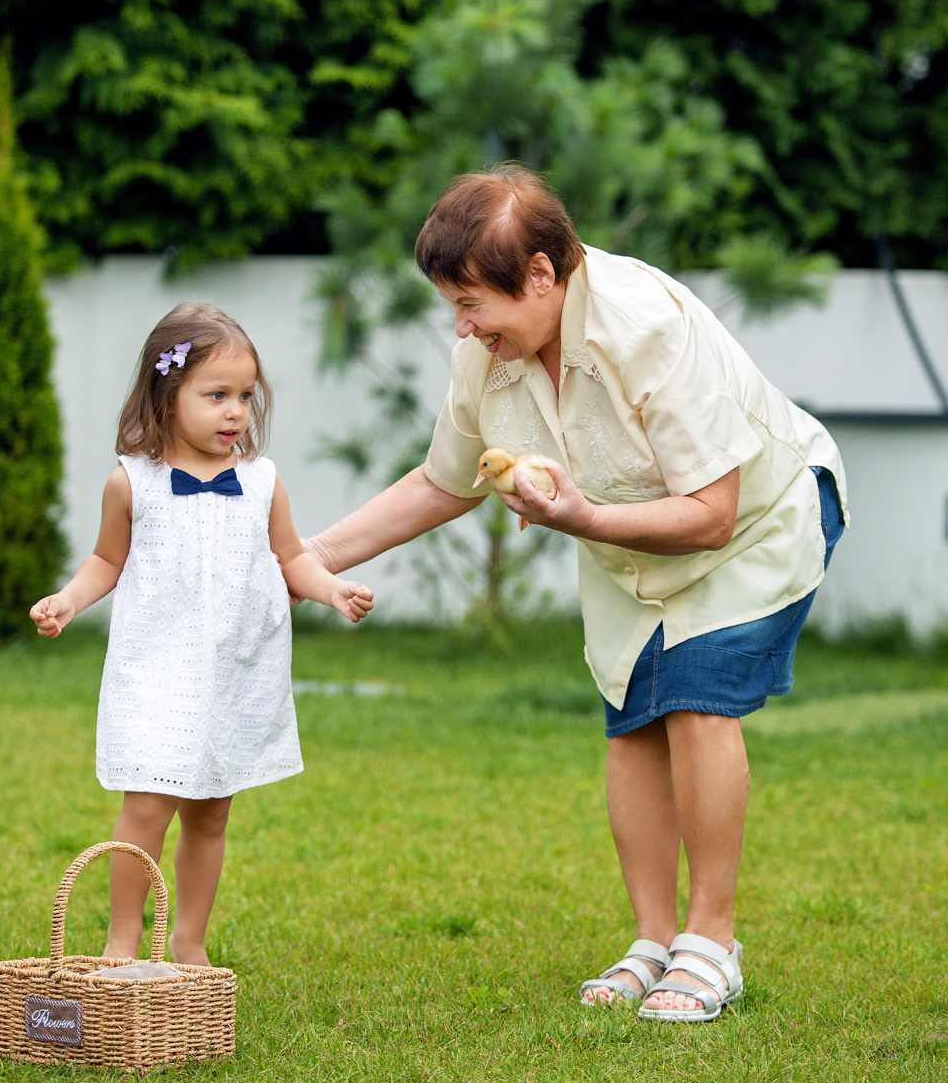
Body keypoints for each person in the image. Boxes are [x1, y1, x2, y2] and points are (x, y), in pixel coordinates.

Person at [304, 165, 847, 1023]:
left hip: (755, 526)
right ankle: (653, 941)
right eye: (452, 304)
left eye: (472, 302)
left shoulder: (645, 328)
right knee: (633, 718)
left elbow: (712, 514)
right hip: (626, 542)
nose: (461, 325)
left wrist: (584, 516)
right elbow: (444, 483)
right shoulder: (487, 356)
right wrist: (312, 557)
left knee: (697, 697)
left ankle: (712, 946)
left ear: (544, 276)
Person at [30, 303, 373, 967]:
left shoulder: (261, 481)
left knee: (211, 811)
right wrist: (69, 599)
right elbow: (106, 561)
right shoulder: (133, 483)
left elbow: (291, 557)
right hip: (158, 671)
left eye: (245, 396)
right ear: (167, 394)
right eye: (216, 395)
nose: (235, 412)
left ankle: (188, 939)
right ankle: (122, 941)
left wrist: (332, 590)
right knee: (147, 806)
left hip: (231, 676)